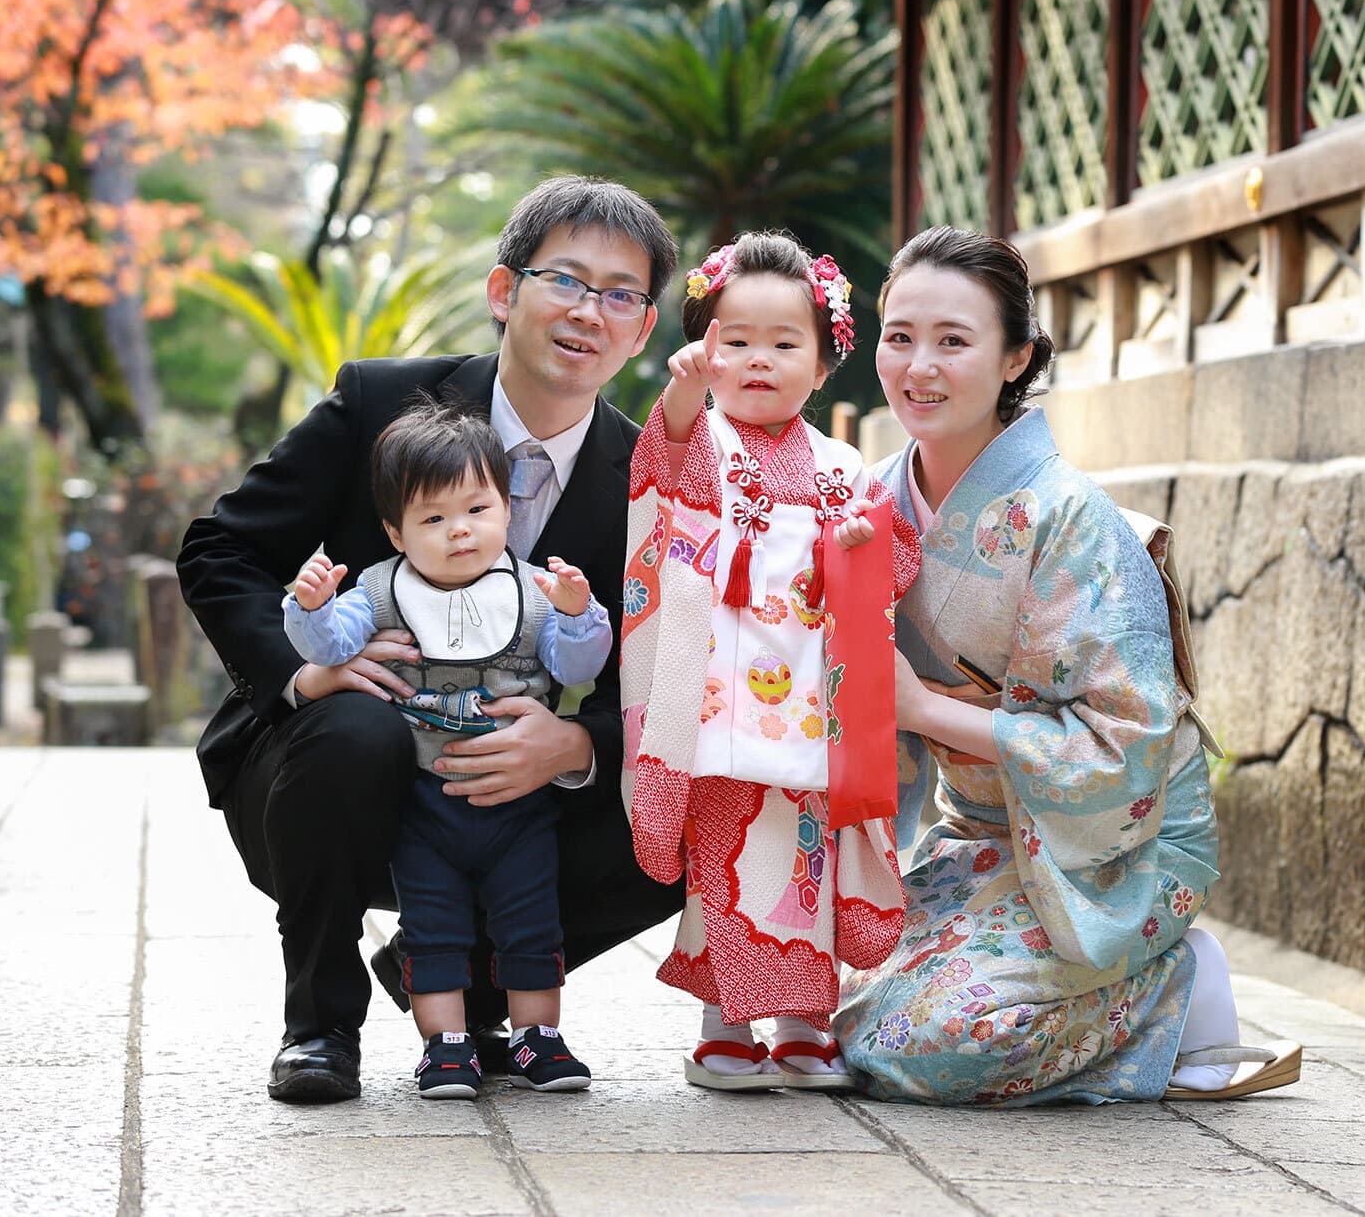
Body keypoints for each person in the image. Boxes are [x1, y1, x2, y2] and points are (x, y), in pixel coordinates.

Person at [177, 175, 686, 1102]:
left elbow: (675, 669)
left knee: (692, 807)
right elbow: (220, 548)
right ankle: (320, 1027)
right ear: (504, 292)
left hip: (511, 797)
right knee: (355, 728)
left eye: (621, 294)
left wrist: (579, 742)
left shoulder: (650, 477)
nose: (589, 311)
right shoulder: (380, 404)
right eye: (564, 280)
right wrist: (304, 672)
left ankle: (460, 977)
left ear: (644, 330)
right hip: (335, 775)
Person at [834, 226, 1303, 1105]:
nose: (918, 366)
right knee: (813, 999)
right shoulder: (874, 500)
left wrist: (923, 710)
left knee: (943, 1040)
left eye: (954, 341)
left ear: (1015, 358)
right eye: (900, 336)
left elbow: (1125, 746)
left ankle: (1177, 981)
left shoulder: (1067, 517)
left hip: (1118, 844)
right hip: (986, 834)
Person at [620, 232, 920, 1091]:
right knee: (724, 862)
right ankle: (723, 1025)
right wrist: (677, 403)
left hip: (809, 711)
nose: (759, 360)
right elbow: (662, 477)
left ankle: (799, 1024)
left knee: (804, 866)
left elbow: (888, 567)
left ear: (824, 365)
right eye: (735, 341)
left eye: (785, 343)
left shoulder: (841, 465)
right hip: (716, 704)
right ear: (704, 352)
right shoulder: (700, 439)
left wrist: (860, 548)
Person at [282, 399, 611, 1098]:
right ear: (396, 532)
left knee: (532, 918)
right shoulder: (379, 592)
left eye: (477, 509)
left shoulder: (534, 592)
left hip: (522, 802)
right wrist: (311, 608)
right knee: (432, 924)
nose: (459, 530)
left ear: (505, 510)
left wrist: (580, 612)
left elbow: (578, 665)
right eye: (433, 518)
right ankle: (445, 1046)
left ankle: (537, 1038)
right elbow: (330, 645)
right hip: (422, 802)